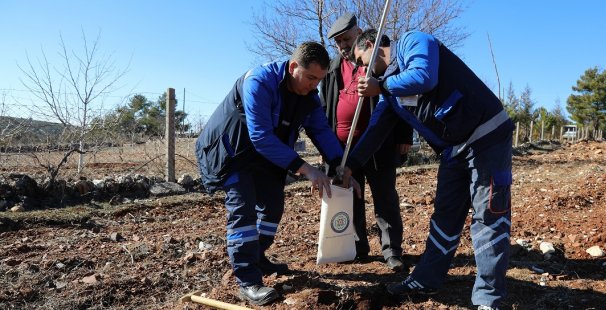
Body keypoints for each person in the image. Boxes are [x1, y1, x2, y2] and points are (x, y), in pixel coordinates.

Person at [340, 29, 514, 310]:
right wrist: (350, 165)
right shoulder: (390, 93)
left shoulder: (413, 42)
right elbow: (375, 131)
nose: (361, 71)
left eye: (362, 62)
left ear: (371, 45)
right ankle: (426, 279)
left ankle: (488, 299)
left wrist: (381, 86)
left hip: (486, 135)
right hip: (453, 149)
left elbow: (424, 76)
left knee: (489, 215)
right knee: (444, 216)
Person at [195, 42, 360, 306]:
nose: (314, 86)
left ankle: (257, 257)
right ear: (294, 67)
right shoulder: (259, 81)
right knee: (243, 210)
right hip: (230, 153)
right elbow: (260, 136)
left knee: (272, 206)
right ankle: (248, 280)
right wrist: (306, 168)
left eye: (319, 79)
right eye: (310, 78)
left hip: (265, 156)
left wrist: (341, 165)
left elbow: (320, 130)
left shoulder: (308, 97)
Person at [320, 13, 412, 271]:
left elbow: (399, 93)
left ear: (359, 33)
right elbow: (326, 106)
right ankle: (357, 249)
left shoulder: (377, 59)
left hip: (378, 144)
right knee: (349, 198)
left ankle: (392, 251)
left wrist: (404, 135)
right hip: (341, 149)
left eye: (347, 39)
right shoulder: (332, 69)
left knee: (385, 197)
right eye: (338, 42)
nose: (343, 46)